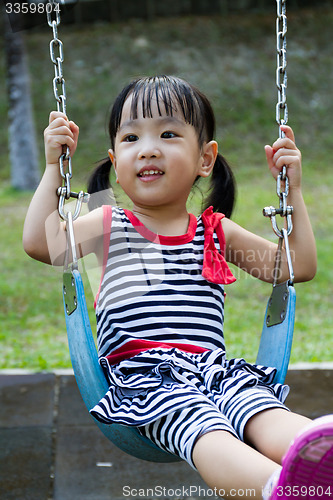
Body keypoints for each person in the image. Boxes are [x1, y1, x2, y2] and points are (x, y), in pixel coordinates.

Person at [23, 75, 333, 499]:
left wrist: (292, 190)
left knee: (261, 410)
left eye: (168, 133)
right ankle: (276, 489)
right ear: (116, 161)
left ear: (205, 159)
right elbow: (41, 243)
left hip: (215, 371)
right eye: (131, 137)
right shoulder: (108, 223)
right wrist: (52, 169)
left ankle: (318, 454)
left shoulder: (215, 231)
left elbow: (296, 267)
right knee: (205, 428)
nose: (148, 147)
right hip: (146, 379)